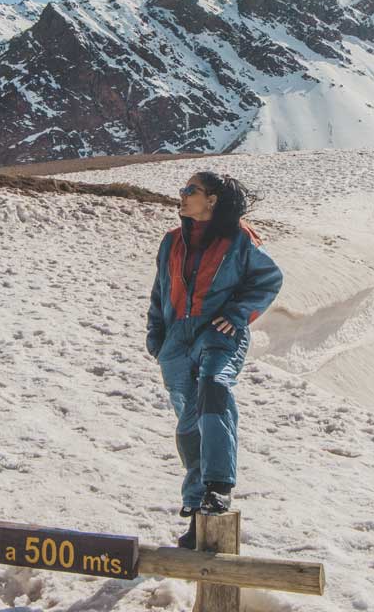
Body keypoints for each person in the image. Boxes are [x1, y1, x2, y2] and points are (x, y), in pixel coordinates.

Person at [146, 171, 283, 550]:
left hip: (219, 336)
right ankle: (197, 507)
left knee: (214, 389)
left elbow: (268, 279)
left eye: (191, 190)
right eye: (183, 190)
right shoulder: (172, 241)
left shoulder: (239, 240)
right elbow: (160, 290)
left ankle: (220, 486)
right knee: (189, 421)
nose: (183, 195)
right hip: (177, 342)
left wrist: (238, 314)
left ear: (212, 200)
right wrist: (157, 335)